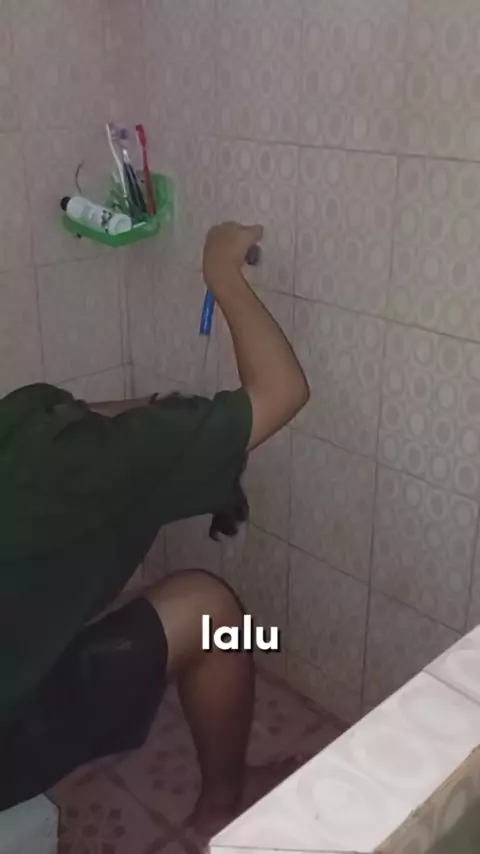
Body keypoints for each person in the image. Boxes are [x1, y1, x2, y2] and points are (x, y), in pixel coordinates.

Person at [0, 222, 309, 834]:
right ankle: (224, 802)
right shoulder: (63, 460)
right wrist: (221, 273)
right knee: (213, 611)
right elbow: (283, 390)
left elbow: (89, 420)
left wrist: (168, 425)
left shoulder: (26, 433)